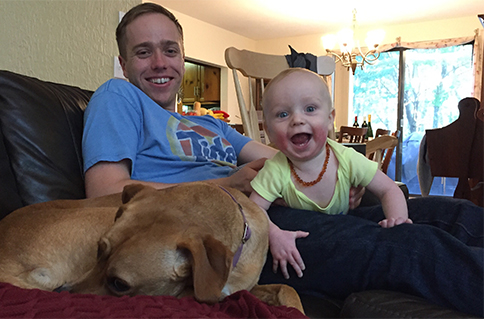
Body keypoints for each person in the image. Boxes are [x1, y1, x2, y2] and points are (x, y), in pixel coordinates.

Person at [82, 3, 483, 317]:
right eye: (142, 52)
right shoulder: (118, 96)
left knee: (451, 213)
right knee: (407, 246)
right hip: (235, 230)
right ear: (123, 63)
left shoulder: (210, 125)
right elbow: (104, 193)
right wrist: (226, 185)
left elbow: (286, 156)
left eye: (170, 50)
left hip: (277, 204)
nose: (159, 62)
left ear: (181, 56)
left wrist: (329, 178)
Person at [249, 68, 412, 279]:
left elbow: (389, 188)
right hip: (310, 246)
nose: (297, 119)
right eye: (283, 114)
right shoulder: (275, 169)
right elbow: (252, 210)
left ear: (329, 118)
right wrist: (274, 235)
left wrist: (397, 221)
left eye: (310, 109)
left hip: (346, 233)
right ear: (268, 131)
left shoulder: (346, 158)